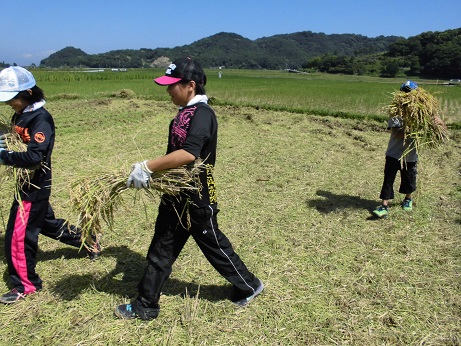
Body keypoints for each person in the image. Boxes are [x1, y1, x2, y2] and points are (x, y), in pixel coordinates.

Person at [115, 57, 263, 320]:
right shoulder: (184, 113)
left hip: (197, 196)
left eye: (173, 85)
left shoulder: (203, 115)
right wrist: (156, 176)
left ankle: (249, 285)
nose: (168, 90)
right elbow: (175, 155)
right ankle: (146, 304)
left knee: (213, 245)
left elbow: (188, 154)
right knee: (161, 249)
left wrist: (148, 166)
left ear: (190, 85)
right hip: (175, 192)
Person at [0, 66, 100, 304]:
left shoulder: (41, 119)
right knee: (45, 223)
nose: (9, 104)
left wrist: (4, 156)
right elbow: (17, 139)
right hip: (25, 183)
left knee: (19, 236)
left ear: (28, 93)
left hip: (34, 186)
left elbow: (35, 158)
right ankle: (88, 241)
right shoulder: (21, 114)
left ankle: (26, 284)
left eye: (12, 98)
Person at [373, 80, 419, 218]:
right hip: (394, 153)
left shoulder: (422, 113)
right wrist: (415, 130)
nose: (407, 95)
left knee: (409, 178)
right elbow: (397, 134)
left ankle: (407, 199)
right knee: (388, 179)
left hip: (410, 154)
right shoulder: (396, 112)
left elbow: (437, 123)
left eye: (410, 92)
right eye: (405, 92)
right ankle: (384, 206)